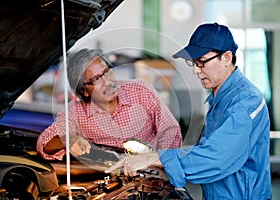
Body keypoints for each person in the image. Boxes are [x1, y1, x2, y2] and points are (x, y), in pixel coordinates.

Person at [105, 23, 272, 200]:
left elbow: (216, 157)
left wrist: (158, 158)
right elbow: (206, 148)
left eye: (201, 63)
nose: (195, 70)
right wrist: (164, 168)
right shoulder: (221, 97)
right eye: (193, 63)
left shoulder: (245, 101)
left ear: (226, 57)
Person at [36, 48, 182, 160]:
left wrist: (157, 163)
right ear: (85, 90)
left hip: (152, 174)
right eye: (97, 79)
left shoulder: (141, 91)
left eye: (107, 71)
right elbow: (43, 143)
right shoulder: (76, 112)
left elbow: (170, 131)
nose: (108, 82)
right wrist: (69, 139)